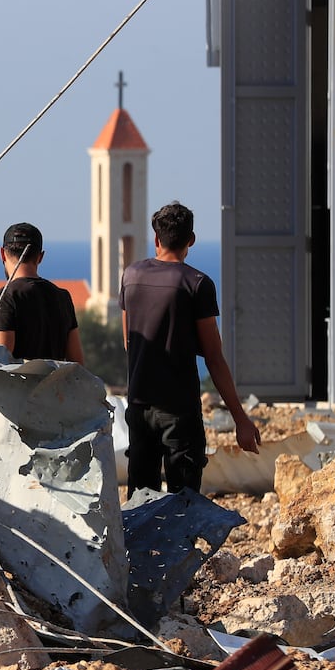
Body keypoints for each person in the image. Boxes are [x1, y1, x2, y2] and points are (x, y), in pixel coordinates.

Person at [120, 201, 261, 492]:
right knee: (183, 501)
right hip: (179, 410)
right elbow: (213, 357)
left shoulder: (131, 276)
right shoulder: (197, 284)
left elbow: (128, 341)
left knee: (139, 500)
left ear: (156, 238)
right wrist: (240, 419)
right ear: (191, 240)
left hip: (138, 404)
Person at [0, 221, 84, 363]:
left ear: (2, 254)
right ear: (40, 256)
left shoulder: (5, 298)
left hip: (19, 385)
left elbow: (0, 360)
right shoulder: (63, 297)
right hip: (56, 385)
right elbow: (77, 361)